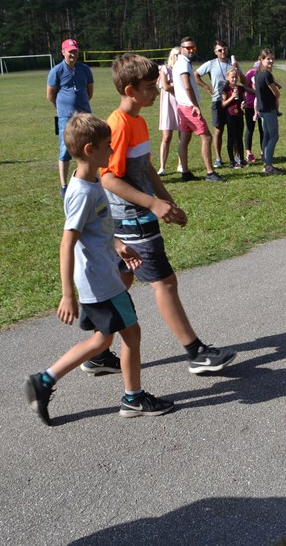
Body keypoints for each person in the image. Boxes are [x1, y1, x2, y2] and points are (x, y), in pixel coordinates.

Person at [88, 52, 236, 376]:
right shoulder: (118, 124)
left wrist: (168, 201)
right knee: (165, 283)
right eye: (150, 87)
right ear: (129, 90)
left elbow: (147, 169)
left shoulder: (139, 121)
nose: (157, 92)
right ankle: (195, 352)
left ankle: (98, 351)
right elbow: (108, 177)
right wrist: (152, 204)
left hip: (137, 217)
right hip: (133, 221)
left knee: (122, 280)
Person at [24, 112, 175, 426]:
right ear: (91, 150)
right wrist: (67, 295)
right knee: (131, 335)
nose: (112, 149)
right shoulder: (83, 193)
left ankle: (45, 380)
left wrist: (118, 244)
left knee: (102, 340)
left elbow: (96, 230)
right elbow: (68, 243)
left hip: (101, 275)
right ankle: (133, 398)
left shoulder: (91, 184)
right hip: (102, 282)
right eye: (108, 145)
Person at [47, 39, 94, 198]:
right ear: (63, 52)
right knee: (65, 150)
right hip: (65, 118)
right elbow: (50, 95)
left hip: (85, 115)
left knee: (88, 148)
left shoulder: (85, 70)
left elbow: (90, 92)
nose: (73, 54)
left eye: (75, 50)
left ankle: (88, 179)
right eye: (70, 51)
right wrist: (63, 108)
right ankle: (64, 185)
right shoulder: (56, 71)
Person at [172, 37, 223, 183]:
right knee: (206, 137)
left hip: (182, 105)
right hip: (188, 107)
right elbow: (187, 86)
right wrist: (195, 105)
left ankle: (185, 172)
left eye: (193, 48)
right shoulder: (182, 64)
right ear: (181, 48)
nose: (190, 50)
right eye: (187, 48)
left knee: (184, 139)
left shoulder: (181, 63)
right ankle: (210, 172)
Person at [194, 40, 240, 169]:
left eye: (224, 49)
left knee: (234, 131)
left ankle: (237, 156)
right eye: (219, 50)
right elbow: (196, 74)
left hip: (232, 100)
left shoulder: (232, 63)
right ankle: (218, 158)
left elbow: (240, 78)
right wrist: (207, 87)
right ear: (215, 52)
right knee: (219, 129)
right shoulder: (211, 64)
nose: (223, 52)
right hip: (217, 100)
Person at [156, 47, 184, 176]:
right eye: (176, 55)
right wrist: (178, 85)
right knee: (166, 137)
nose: (178, 57)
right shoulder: (164, 68)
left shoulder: (182, 69)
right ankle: (162, 166)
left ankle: (181, 164)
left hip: (181, 103)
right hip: (168, 104)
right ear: (171, 56)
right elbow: (165, 86)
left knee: (182, 136)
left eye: (180, 55)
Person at [254, 49, 282, 175]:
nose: (270, 61)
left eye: (272, 58)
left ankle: (266, 163)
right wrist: (277, 92)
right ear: (261, 59)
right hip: (268, 109)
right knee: (274, 136)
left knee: (266, 135)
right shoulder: (267, 75)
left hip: (261, 109)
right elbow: (276, 93)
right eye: (268, 59)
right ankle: (269, 166)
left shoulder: (258, 73)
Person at [220, 68, 246, 168]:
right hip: (230, 115)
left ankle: (242, 158)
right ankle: (232, 160)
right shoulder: (225, 89)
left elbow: (244, 100)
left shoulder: (241, 89)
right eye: (232, 77)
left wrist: (244, 105)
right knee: (231, 138)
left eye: (236, 77)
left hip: (239, 115)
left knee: (239, 137)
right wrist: (232, 97)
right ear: (228, 78)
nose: (234, 79)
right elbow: (223, 104)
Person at [243, 62, 261, 164]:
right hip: (250, 105)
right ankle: (248, 153)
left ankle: (263, 152)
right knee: (250, 129)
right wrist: (256, 92)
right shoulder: (250, 73)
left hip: (263, 105)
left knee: (263, 130)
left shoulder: (265, 73)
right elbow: (245, 86)